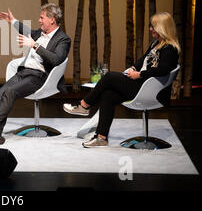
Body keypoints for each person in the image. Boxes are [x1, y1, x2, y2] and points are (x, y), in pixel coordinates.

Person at [63, 12, 180, 148]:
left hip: (151, 90)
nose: (150, 29)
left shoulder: (170, 49)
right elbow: (143, 60)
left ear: (162, 28)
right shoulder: (156, 44)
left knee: (110, 76)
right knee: (108, 95)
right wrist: (133, 68)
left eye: (153, 26)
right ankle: (101, 138)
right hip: (142, 85)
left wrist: (139, 75)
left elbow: (163, 70)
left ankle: (84, 105)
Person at [0, 3, 71, 145]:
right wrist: (13, 21)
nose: (39, 20)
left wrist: (34, 45)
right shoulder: (40, 34)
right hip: (24, 72)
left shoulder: (63, 39)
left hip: (40, 77)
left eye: (42, 18)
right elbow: (27, 31)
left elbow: (56, 59)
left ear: (52, 19)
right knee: (0, 93)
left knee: (10, 92)